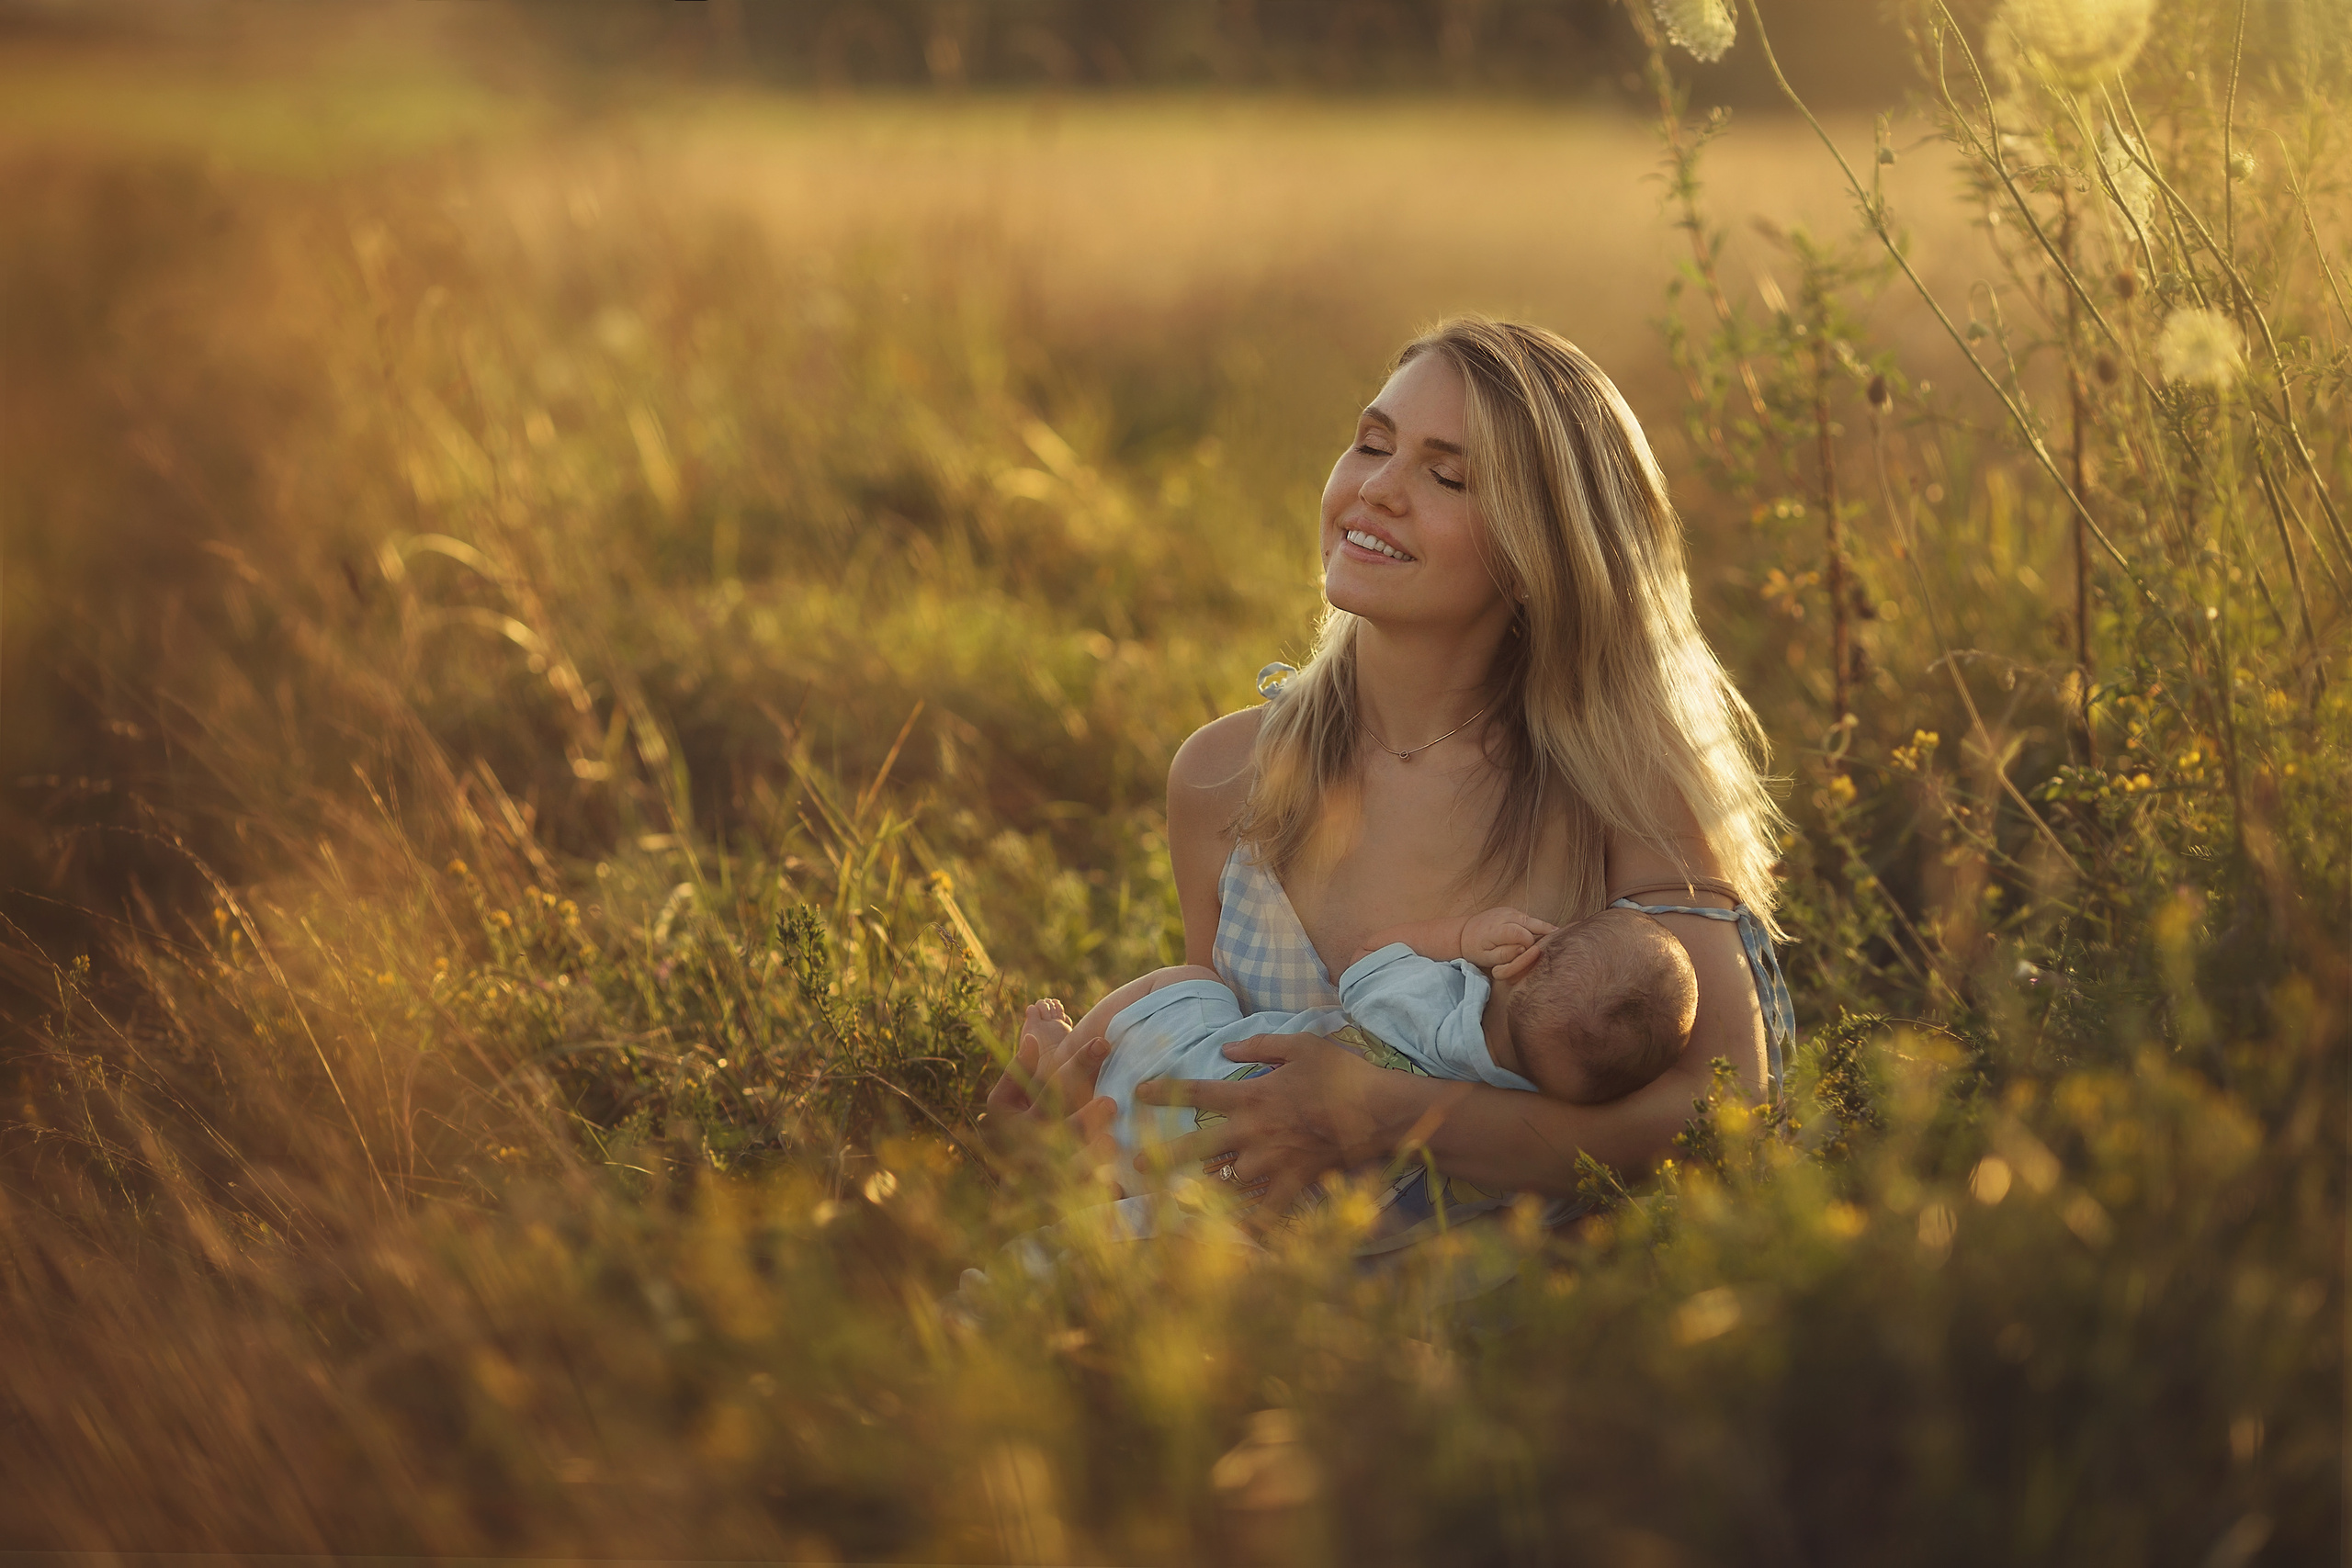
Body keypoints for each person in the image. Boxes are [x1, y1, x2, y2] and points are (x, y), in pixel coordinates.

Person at [984, 316, 1793, 1246]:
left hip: (1495, 1323)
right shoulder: (1222, 777)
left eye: (1445, 476)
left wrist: (1389, 1118)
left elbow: (1726, 1114)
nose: (1376, 489)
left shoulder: (1624, 785)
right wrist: (1071, 1129)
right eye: (1371, 444)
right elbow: (1215, 1091)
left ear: (1540, 554)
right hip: (1234, 1289)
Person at [1031, 902, 1697, 1190]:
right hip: (1228, 1191)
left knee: (1188, 981)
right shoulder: (1519, 1124)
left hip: (1186, 1070)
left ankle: (1073, 1055)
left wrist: (1463, 934)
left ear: (1525, 959)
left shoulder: (1427, 995)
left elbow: (1365, 956)